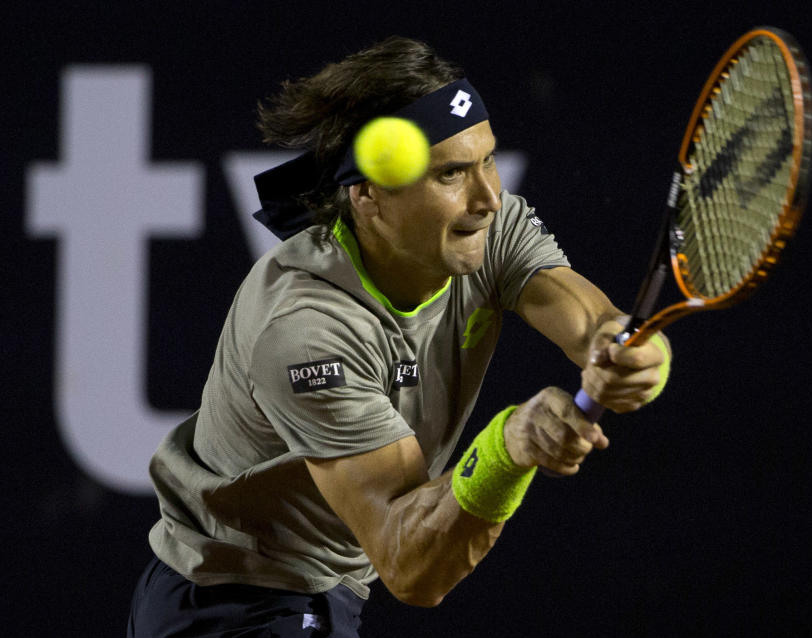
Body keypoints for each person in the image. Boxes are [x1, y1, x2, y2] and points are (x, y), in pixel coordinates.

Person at [127, 36, 671, 637]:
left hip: (320, 592)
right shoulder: (309, 331)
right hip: (231, 606)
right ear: (367, 195)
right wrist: (509, 446)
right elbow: (412, 566)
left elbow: (598, 327)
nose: (488, 196)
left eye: (486, 160)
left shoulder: (487, 228)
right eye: (450, 174)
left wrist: (634, 353)